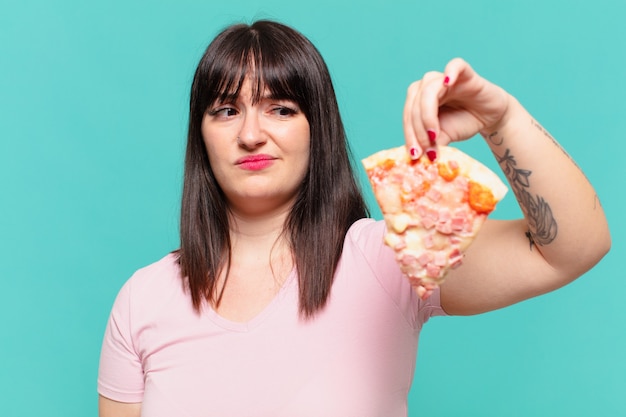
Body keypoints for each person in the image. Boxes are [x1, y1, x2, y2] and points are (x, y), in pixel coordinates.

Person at [97, 20, 610, 417]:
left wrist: (502, 120)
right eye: (226, 110)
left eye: (281, 109)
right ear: (201, 135)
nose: (251, 133)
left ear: (318, 129)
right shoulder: (143, 300)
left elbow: (572, 249)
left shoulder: (391, 259)